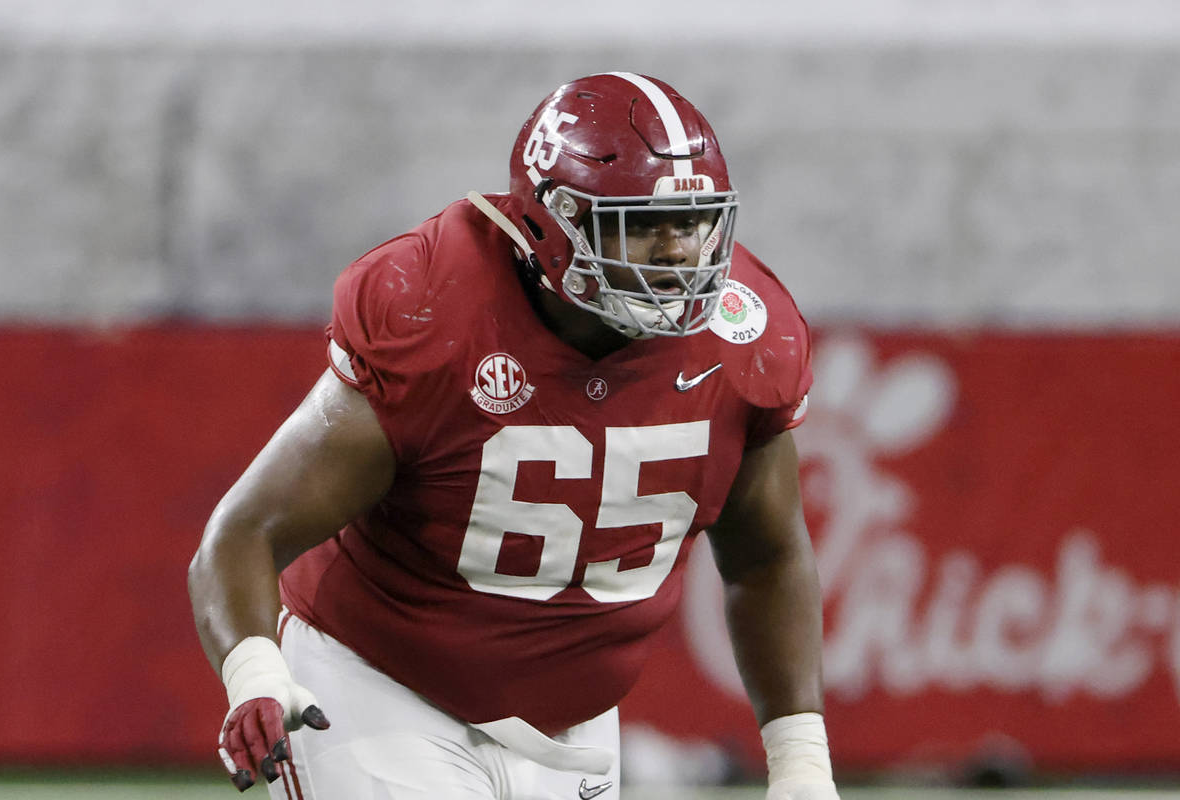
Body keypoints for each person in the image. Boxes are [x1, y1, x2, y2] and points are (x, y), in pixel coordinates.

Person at [188, 71, 839, 800]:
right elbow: (243, 532)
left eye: (692, 223)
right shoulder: (438, 311)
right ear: (551, 223)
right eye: (641, 225)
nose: (678, 253)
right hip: (380, 695)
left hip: (579, 729)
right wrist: (254, 674)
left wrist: (801, 763)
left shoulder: (747, 340)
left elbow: (769, 557)